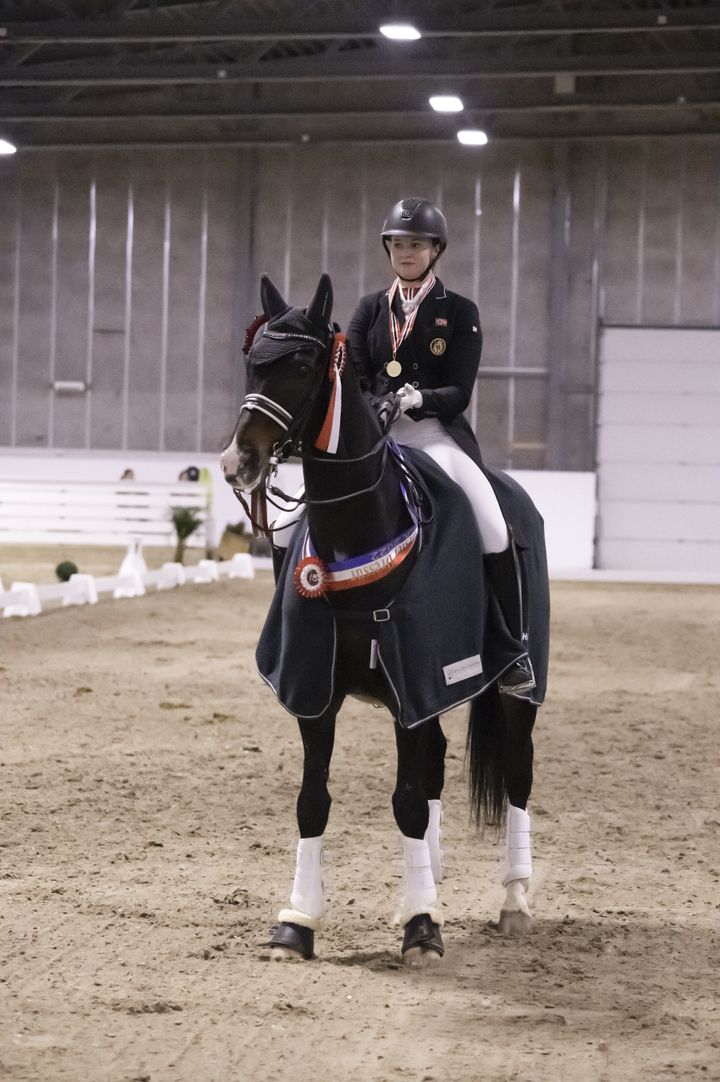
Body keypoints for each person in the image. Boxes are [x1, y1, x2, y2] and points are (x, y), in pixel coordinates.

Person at [346, 196, 534, 696]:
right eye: (398, 244)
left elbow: (460, 390)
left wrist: (419, 398)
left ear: (435, 250)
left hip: (436, 436)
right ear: (387, 248)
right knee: (300, 519)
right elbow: (359, 375)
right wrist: (379, 403)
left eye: (416, 244)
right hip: (378, 439)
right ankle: (302, 630)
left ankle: (512, 649)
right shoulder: (369, 309)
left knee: (492, 524)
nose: (406, 252)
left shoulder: (459, 311)